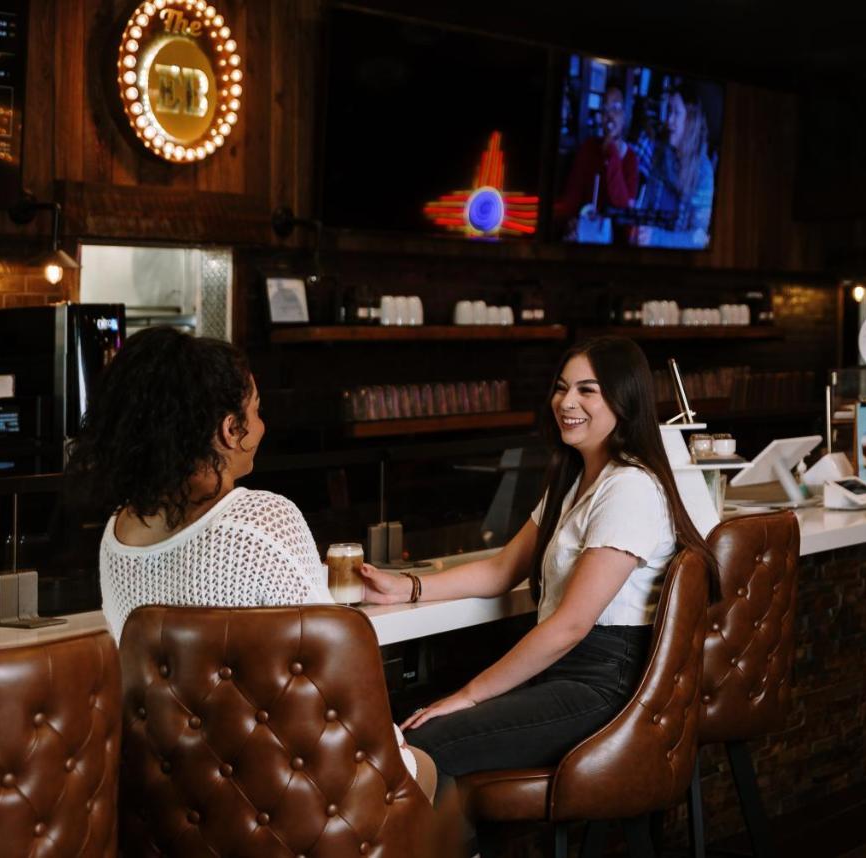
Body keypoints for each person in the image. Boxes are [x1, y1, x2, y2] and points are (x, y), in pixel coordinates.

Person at [65, 326, 436, 799]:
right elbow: (331, 675)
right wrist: (400, 755)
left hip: (178, 798)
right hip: (286, 794)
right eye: (256, 411)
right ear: (228, 429)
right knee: (429, 772)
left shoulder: (117, 532)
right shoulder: (259, 519)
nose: (261, 426)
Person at [362, 336, 713, 804]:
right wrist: (406, 587)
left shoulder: (629, 488)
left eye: (588, 390)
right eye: (562, 388)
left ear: (624, 401)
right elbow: (503, 569)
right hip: (564, 674)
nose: (567, 403)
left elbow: (570, 626)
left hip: (604, 686)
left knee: (425, 743)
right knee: (406, 725)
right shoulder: (576, 481)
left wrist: (471, 694)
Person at [554, 86, 640, 244]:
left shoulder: (631, 159)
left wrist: (612, 154)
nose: (609, 115)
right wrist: (570, 222)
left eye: (615, 107)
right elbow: (573, 195)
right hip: (584, 232)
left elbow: (623, 206)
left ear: (624, 115)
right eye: (605, 109)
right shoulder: (589, 148)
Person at [634, 83, 715, 249]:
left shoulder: (704, 171)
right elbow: (647, 207)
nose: (668, 120)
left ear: (690, 120)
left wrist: (656, 238)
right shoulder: (661, 154)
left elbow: (699, 238)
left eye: (676, 113)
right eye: (669, 111)